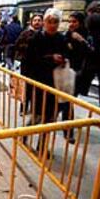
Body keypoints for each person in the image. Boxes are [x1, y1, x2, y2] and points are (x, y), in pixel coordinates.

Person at [24, 8, 69, 150]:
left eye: (55, 22)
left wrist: (63, 60)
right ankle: (24, 135)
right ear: (44, 22)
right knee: (37, 116)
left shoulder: (61, 39)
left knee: (50, 118)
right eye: (50, 21)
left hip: (56, 83)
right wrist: (50, 58)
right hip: (39, 83)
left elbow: (68, 55)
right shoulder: (36, 38)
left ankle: (42, 146)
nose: (52, 25)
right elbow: (30, 60)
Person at [14, 13, 43, 114]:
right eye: (35, 20)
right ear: (31, 22)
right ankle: (24, 108)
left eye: (39, 20)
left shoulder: (43, 34)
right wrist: (28, 47)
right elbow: (17, 45)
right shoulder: (26, 33)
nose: (37, 22)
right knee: (26, 88)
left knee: (37, 89)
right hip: (27, 65)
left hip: (39, 66)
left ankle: (35, 109)